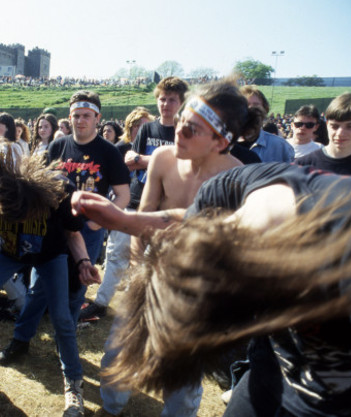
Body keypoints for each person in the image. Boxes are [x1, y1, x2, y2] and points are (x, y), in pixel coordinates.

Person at [95, 162, 351, 417]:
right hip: (269, 373)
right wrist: (121, 220)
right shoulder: (227, 188)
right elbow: (187, 220)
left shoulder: (349, 249)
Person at [85, 81, 264, 417]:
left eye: (191, 128)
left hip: (199, 284)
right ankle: (111, 409)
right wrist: (138, 271)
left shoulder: (240, 179)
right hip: (152, 269)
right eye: (181, 119)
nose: (178, 131)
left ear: (221, 140)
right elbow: (145, 215)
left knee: (182, 371)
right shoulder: (163, 159)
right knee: (118, 349)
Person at [0, 146, 99, 417]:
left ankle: (73, 384)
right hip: (8, 251)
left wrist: (83, 263)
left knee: (61, 319)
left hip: (50, 255)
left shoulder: (58, 190)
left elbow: (72, 235)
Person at [0, 90, 130, 369]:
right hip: (54, 232)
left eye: (87, 116)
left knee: (74, 291)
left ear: (97, 118)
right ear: (70, 117)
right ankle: (20, 340)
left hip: (88, 234)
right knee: (38, 288)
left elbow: (123, 194)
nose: (81, 121)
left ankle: (62, 341)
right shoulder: (57, 147)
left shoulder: (109, 152)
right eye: (76, 115)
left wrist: (97, 221)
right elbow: (40, 185)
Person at [80, 77, 188, 322]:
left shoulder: (182, 130)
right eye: (162, 99)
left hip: (165, 205)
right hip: (136, 198)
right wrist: (154, 161)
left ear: (180, 103)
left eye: (172, 100)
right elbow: (131, 160)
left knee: (152, 261)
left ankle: (142, 307)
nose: (166, 104)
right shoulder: (149, 129)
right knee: (116, 253)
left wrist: (148, 160)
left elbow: (182, 164)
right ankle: (101, 302)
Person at [295, 93, 351, 175]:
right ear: (327, 125)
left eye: (350, 126)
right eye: (334, 126)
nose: (340, 133)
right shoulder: (302, 166)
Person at [239, 86, 294, 162]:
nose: (251, 109)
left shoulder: (280, 146)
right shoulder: (223, 145)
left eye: (256, 105)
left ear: (265, 109)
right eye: (246, 105)